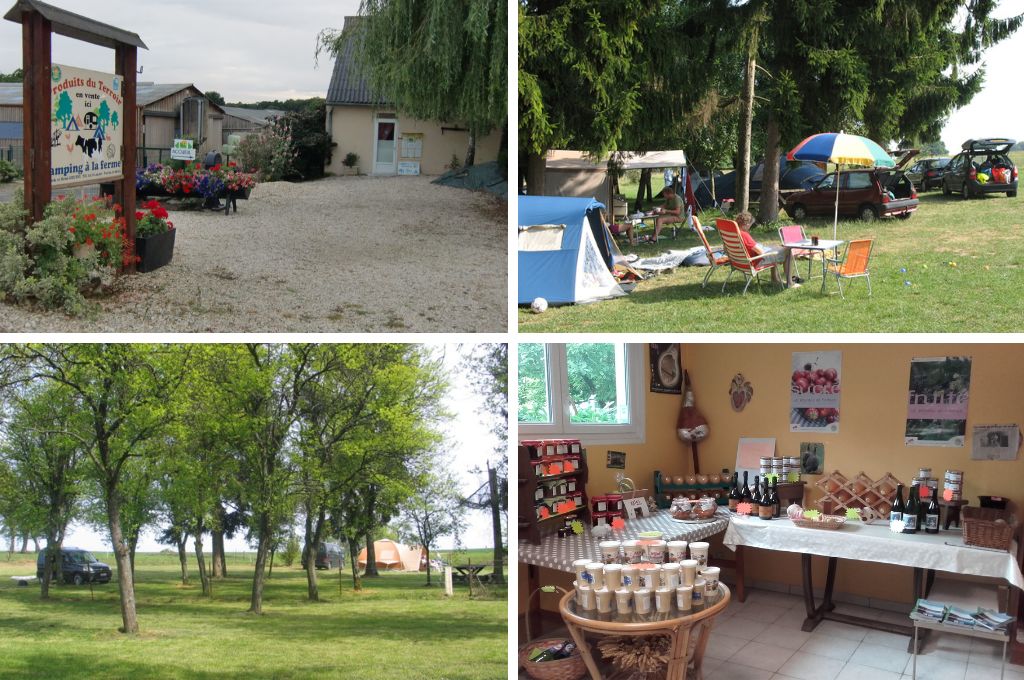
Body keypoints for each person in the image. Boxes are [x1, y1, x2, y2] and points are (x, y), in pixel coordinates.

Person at [734, 211, 798, 288]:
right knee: (788, 250)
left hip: (739, 262)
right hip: (756, 261)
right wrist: (767, 250)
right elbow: (760, 252)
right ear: (746, 224)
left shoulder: (734, 233)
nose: (750, 227)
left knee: (774, 247)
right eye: (750, 225)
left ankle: (775, 278)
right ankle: (790, 283)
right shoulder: (744, 235)